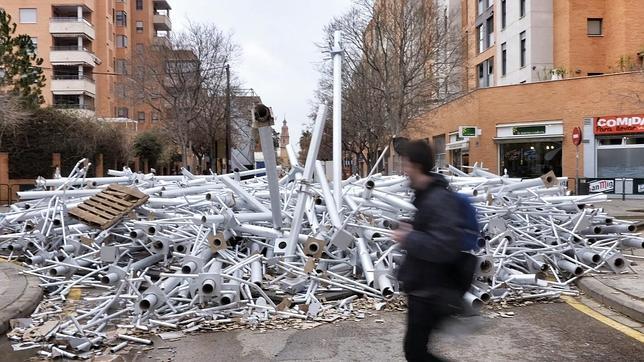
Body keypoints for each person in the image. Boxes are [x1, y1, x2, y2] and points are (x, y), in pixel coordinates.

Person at [393, 139, 475, 362]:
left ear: (416, 165)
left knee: (416, 352)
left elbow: (444, 246)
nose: (404, 170)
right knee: (416, 351)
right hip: (422, 287)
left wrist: (409, 237)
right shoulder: (425, 195)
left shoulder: (438, 198)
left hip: (431, 290)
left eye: (406, 164)